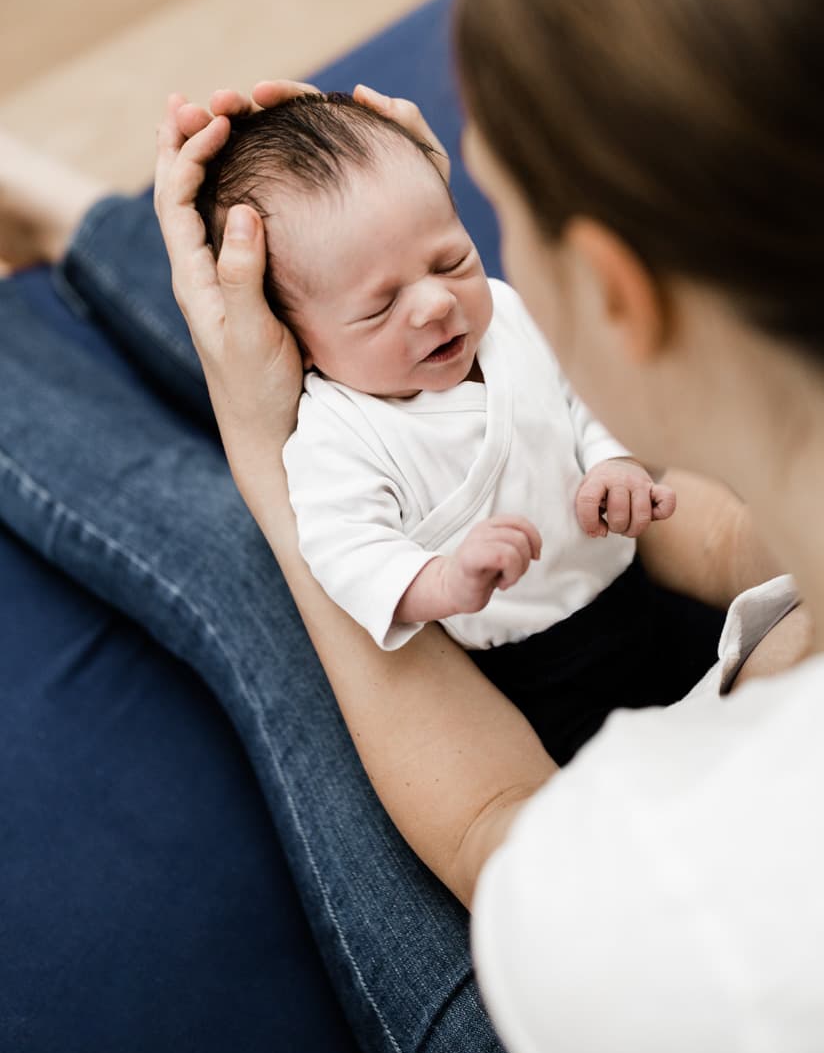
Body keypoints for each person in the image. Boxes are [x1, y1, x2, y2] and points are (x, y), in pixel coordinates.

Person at [0, 0, 824, 1053]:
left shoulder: (695, 943)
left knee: (248, 568)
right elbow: (727, 529)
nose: (450, 298)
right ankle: (88, 227)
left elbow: (497, 825)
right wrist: (383, 245)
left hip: (600, 962)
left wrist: (262, 445)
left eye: (473, 237)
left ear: (616, 292)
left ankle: (86, 259)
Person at [196, 93, 680, 764]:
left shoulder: (504, 315)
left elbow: (580, 391)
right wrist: (445, 581)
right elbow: (349, 551)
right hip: (537, 674)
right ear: (299, 343)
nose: (434, 303)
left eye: (450, 261)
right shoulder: (338, 434)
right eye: (380, 307)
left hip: (639, 590)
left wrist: (612, 460)